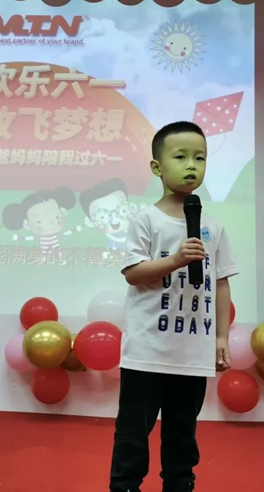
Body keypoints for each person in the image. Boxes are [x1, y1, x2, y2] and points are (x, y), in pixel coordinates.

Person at [109, 121, 238, 492]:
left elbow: (221, 282)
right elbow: (133, 273)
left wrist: (221, 337)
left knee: (183, 435)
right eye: (180, 157)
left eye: (200, 157)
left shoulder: (213, 226)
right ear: (157, 167)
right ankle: (125, 486)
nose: (191, 165)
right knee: (133, 433)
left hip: (191, 352)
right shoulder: (146, 220)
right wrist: (176, 260)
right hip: (147, 352)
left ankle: (179, 485)